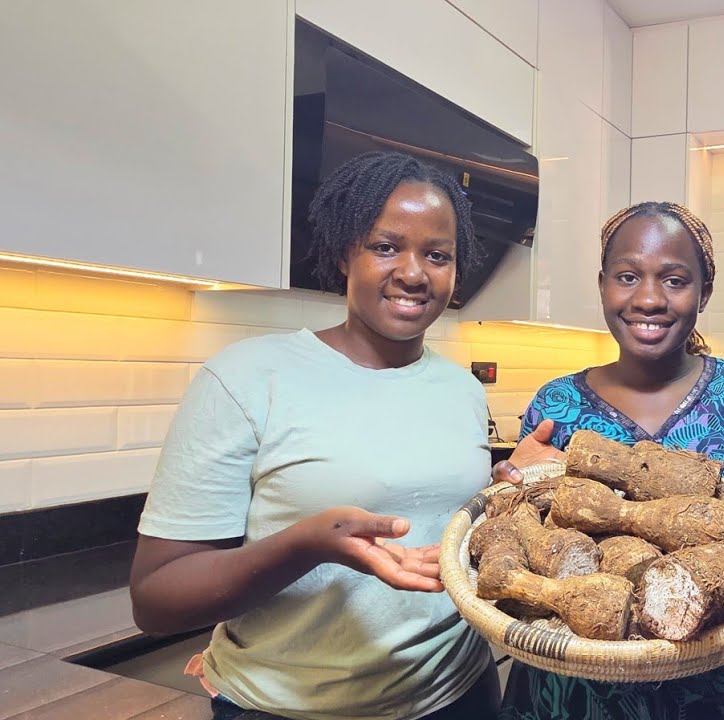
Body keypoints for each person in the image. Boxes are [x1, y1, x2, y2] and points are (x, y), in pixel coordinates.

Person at [130, 151, 536, 720]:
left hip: (459, 695)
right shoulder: (248, 377)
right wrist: (309, 543)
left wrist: (515, 492)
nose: (414, 273)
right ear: (348, 253)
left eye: (437, 255)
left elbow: (441, 526)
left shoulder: (459, 388)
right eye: (386, 246)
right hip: (287, 708)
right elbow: (156, 600)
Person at [491, 201, 724, 720]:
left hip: (711, 692)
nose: (649, 299)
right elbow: (519, 541)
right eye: (628, 276)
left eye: (675, 280)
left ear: (704, 292)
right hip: (570, 696)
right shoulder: (556, 404)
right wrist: (510, 488)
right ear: (602, 285)